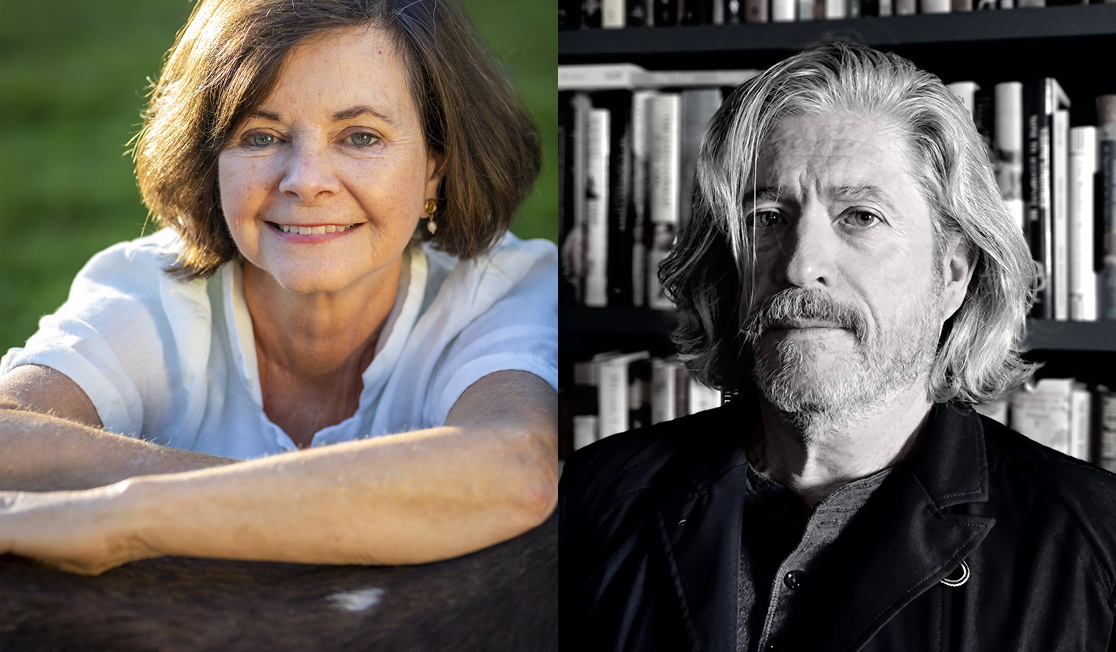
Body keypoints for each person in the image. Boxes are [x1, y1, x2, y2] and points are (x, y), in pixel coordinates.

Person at [558, 42, 1116, 651]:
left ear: (953, 272)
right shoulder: (599, 493)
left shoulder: (1094, 542)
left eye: (860, 216)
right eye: (766, 217)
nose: (801, 264)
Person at [0, 0, 557, 576]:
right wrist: (317, 504)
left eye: (361, 137)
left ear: (435, 169)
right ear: (209, 157)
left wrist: (126, 515)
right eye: (261, 136)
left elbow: (517, 469)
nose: (306, 181)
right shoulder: (151, 287)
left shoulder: (503, 290)